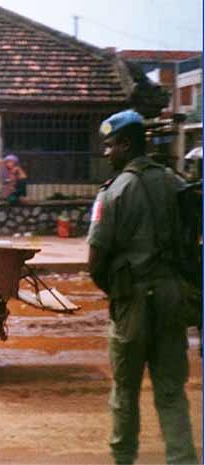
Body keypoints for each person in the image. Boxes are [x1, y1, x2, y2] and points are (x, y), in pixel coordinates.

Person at [87, 109, 199, 465]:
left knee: (125, 391)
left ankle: (123, 459)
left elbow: (95, 262)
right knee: (171, 393)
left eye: (111, 146)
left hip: (131, 304)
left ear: (127, 144)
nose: (107, 153)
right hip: (171, 301)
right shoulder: (175, 183)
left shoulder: (113, 193)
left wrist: (119, 292)